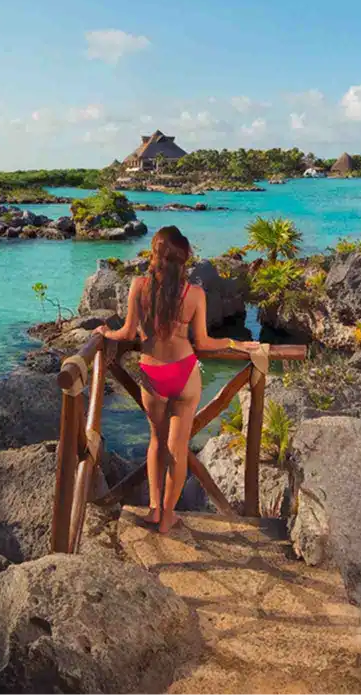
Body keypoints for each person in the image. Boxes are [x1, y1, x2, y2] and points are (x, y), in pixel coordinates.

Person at [98, 226, 259, 535]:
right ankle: (168, 516)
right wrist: (236, 343)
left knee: (156, 442)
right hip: (184, 373)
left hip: (152, 375)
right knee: (178, 449)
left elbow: (127, 334)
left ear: (155, 255)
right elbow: (204, 342)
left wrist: (105, 332)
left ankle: (154, 509)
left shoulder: (139, 286)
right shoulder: (194, 294)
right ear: (184, 259)